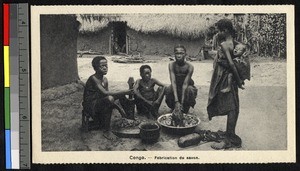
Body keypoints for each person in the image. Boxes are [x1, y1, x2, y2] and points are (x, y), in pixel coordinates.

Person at [207, 19, 250, 150]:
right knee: (233, 105)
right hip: (229, 77)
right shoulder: (236, 43)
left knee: (232, 107)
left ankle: (229, 140)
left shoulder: (225, 44)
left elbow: (231, 64)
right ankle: (229, 133)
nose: (218, 33)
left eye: (219, 30)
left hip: (226, 78)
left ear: (225, 30)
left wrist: (237, 80)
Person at [82, 56, 133, 140]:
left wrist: (119, 102)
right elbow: (106, 93)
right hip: (90, 105)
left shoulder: (105, 79)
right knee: (111, 98)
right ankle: (106, 130)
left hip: (99, 102)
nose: (105, 68)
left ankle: (129, 118)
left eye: (106, 65)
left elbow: (106, 95)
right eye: (102, 66)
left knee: (118, 96)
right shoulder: (93, 79)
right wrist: (125, 92)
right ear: (95, 68)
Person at [165, 45, 198, 116]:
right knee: (168, 89)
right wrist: (176, 101)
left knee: (190, 90)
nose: (179, 55)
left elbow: (185, 84)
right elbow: (173, 82)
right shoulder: (171, 65)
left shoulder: (190, 67)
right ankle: (174, 106)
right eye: (177, 53)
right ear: (174, 55)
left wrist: (182, 103)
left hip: (187, 86)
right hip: (176, 86)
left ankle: (185, 106)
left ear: (185, 54)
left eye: (181, 53)